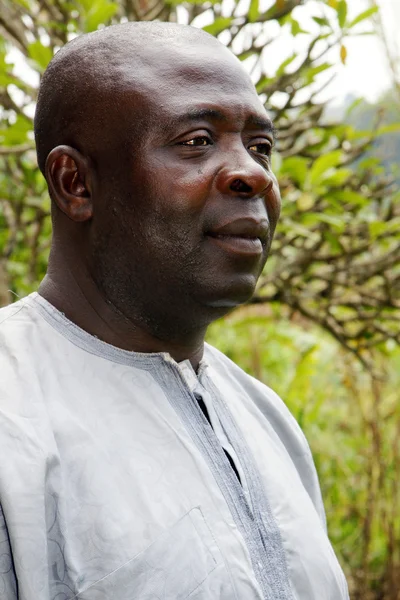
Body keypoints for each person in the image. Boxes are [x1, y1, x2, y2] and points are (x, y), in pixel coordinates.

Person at [0, 22, 349, 600]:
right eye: (196, 141)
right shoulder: (13, 415)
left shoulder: (266, 417)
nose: (254, 174)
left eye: (261, 148)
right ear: (75, 183)